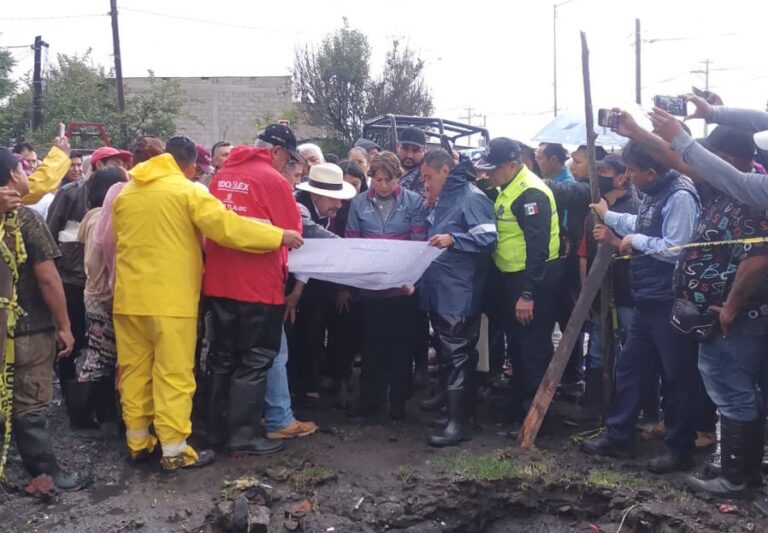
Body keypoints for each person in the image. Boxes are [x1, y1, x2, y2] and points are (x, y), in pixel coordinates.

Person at [112, 135, 301, 471]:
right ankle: (174, 449)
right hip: (170, 301)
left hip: (128, 299)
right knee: (173, 374)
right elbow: (226, 228)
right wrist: (278, 236)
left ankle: (138, 440)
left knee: (135, 372)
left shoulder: (129, 191)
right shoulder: (187, 191)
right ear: (188, 165)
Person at [650, 125, 768, 497]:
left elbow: (759, 259)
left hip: (737, 316)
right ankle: (741, 466)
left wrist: (731, 306)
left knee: (733, 391)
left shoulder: (752, 196)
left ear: (728, 160)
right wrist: (638, 132)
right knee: (740, 390)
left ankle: (737, 479)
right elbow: (674, 157)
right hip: (727, 313)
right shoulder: (726, 187)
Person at [582, 141, 701, 474]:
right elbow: (641, 222)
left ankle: (680, 449)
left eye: (633, 171)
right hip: (648, 297)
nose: (629, 178)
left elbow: (676, 248)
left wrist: (633, 244)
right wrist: (611, 219)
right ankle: (618, 435)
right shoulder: (654, 191)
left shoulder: (679, 195)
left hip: (670, 300)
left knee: (676, 377)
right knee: (631, 368)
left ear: (651, 171)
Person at [203, 125, 305, 457]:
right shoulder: (272, 180)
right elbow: (294, 230)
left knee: (222, 357)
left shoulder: (222, 175)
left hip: (219, 282)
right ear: (276, 151)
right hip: (258, 287)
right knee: (255, 360)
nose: (287, 166)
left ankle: (215, 430)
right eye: (289, 159)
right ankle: (244, 435)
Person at [0, 148, 90, 490]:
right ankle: (46, 472)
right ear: (12, 176)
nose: (27, 174)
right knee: (30, 401)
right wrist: (65, 326)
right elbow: (48, 278)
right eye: (23, 168)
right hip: (27, 330)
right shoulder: (23, 219)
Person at [477, 138, 562, 424]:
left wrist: (528, 294)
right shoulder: (509, 186)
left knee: (533, 349)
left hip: (532, 280)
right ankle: (519, 407)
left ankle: (538, 418)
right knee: (517, 346)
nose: (489, 174)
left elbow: (537, 248)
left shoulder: (531, 194)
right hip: (511, 276)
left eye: (494, 169)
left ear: (512, 165)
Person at [419, 149, 497, 446]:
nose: (424, 183)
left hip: (459, 291)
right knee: (450, 355)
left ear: (445, 170)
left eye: (428, 177)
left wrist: (455, 239)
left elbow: (489, 237)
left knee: (458, 357)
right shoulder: (447, 198)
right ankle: (460, 416)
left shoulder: (471, 197)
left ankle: (458, 423)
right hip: (441, 289)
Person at [346, 151, 427, 420]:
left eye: (388, 180)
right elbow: (352, 241)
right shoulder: (359, 204)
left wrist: (410, 278)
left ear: (397, 179)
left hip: (402, 287)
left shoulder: (413, 202)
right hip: (371, 288)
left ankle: (399, 402)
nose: (382, 185)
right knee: (372, 346)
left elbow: (417, 243)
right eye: (377, 179)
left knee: (401, 347)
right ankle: (371, 400)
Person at [290, 163, 356, 409]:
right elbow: (310, 236)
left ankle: (308, 387)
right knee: (295, 339)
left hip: (307, 283)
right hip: (288, 284)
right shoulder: (299, 208)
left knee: (312, 336)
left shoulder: (322, 212)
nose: (339, 205)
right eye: (334, 199)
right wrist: (350, 249)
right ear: (316, 195)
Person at [75, 167, 127, 430]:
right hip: (104, 294)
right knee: (102, 358)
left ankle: (94, 414)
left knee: (99, 354)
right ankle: (99, 416)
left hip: (92, 293)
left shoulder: (90, 216)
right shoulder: (102, 219)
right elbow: (107, 258)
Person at [398, 127, 428, 198]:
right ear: (398, 146)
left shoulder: (428, 175)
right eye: (405, 149)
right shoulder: (386, 168)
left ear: (424, 150)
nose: (409, 155)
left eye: (416, 151)